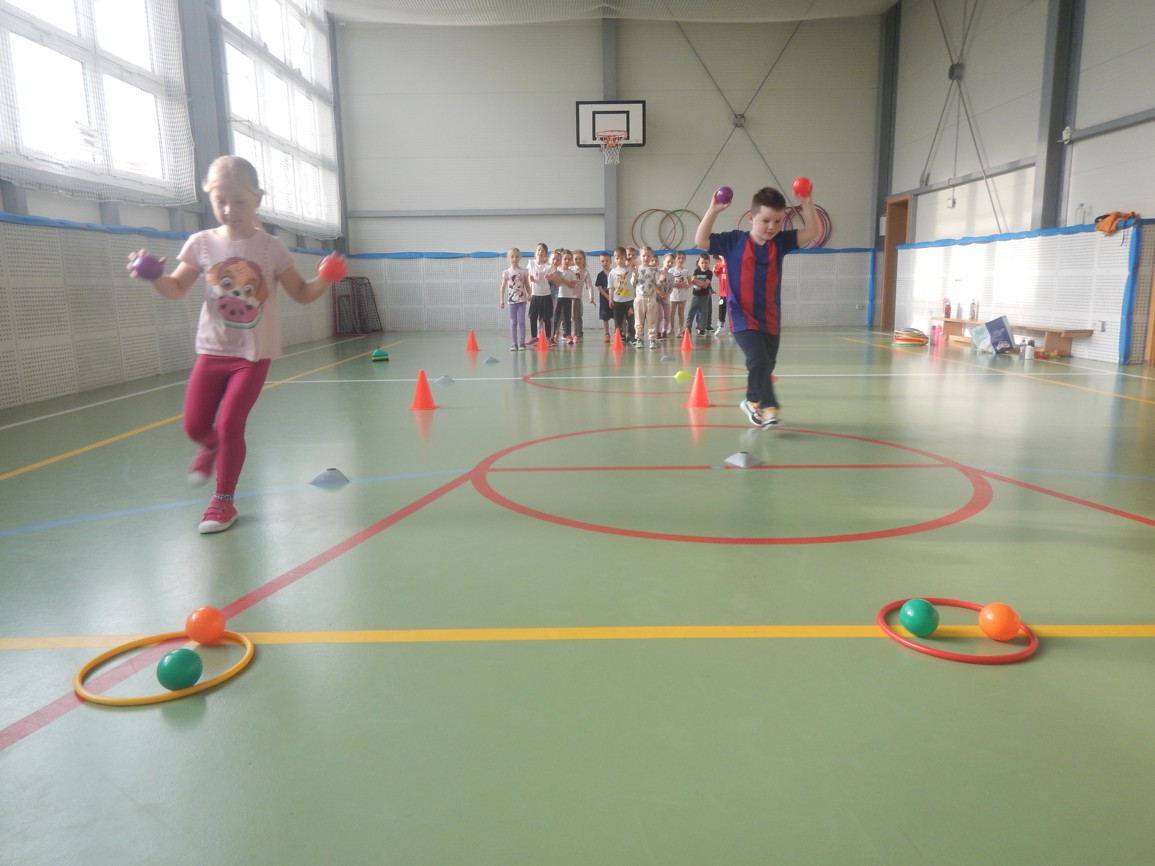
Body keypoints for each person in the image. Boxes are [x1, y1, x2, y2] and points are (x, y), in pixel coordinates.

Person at [127, 155, 341, 533]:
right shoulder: (200, 243)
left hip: (252, 355)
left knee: (229, 424)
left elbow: (302, 293)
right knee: (195, 426)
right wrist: (154, 276)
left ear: (257, 199)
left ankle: (223, 502)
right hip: (212, 350)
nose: (229, 210)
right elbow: (176, 288)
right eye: (220, 201)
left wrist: (326, 277)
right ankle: (210, 446)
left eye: (239, 201)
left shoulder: (271, 248)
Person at [695, 185, 821, 426]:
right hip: (742, 316)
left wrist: (807, 204)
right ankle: (768, 406)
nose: (772, 227)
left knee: (766, 364)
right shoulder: (733, 241)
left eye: (778, 221)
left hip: (770, 317)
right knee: (759, 361)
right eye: (766, 220)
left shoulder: (780, 242)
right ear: (751, 218)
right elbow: (700, 240)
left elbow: (813, 232)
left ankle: (751, 400)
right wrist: (713, 210)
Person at [499, 247, 528, 350]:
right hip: (511, 302)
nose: (514, 258)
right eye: (512, 256)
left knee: (522, 322)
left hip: (522, 300)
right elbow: (503, 287)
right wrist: (502, 300)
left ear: (520, 257)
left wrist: (530, 294)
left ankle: (522, 343)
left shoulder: (524, 271)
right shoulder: (506, 273)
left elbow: (527, 285)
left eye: (516, 256)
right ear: (509, 258)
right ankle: (514, 343)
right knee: (513, 322)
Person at [525, 242, 554, 345]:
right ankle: (534, 337)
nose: (540, 251)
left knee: (546, 317)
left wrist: (550, 277)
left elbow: (553, 277)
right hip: (535, 295)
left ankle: (548, 337)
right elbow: (528, 277)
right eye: (539, 249)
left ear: (545, 253)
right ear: (536, 252)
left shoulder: (548, 266)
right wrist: (530, 280)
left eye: (543, 250)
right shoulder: (531, 263)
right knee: (533, 317)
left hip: (545, 295)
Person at [633, 249, 661, 348]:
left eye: (648, 256)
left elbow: (658, 283)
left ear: (652, 257)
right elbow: (633, 282)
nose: (646, 258)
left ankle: (652, 339)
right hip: (639, 298)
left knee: (652, 320)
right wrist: (634, 273)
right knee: (638, 321)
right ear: (640, 257)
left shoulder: (655, 270)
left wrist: (661, 280)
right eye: (644, 256)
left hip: (651, 298)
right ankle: (639, 339)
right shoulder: (637, 268)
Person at [608, 247, 635, 343]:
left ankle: (632, 336)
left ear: (625, 258)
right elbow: (611, 287)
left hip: (629, 300)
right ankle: (620, 336)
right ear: (614, 259)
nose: (619, 260)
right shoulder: (612, 272)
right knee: (618, 321)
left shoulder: (630, 269)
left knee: (631, 320)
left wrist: (630, 260)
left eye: (622, 258)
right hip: (617, 301)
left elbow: (636, 264)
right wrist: (610, 299)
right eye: (617, 258)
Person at [666, 250, 692, 337]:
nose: (681, 260)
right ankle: (671, 328)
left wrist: (686, 285)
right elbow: (667, 282)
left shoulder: (686, 271)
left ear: (685, 259)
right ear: (675, 259)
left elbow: (690, 283)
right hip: (672, 296)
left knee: (681, 313)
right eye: (679, 258)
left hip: (682, 296)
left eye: (683, 258)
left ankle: (680, 330)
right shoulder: (671, 270)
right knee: (671, 313)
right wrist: (674, 284)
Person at [686, 253, 713, 335]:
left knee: (704, 313)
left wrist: (696, 281)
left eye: (706, 263)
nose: (704, 265)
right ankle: (688, 328)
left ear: (709, 263)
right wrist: (700, 282)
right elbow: (692, 281)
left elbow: (705, 285)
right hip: (695, 295)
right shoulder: (696, 271)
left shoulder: (709, 273)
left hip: (705, 296)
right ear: (699, 263)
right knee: (691, 312)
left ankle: (702, 329)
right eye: (702, 263)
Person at [571, 249, 594, 343]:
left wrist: (591, 297)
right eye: (576, 259)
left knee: (576, 316)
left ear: (584, 259)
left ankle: (577, 333)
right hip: (567, 296)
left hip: (577, 297)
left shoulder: (585, 272)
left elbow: (590, 285)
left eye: (580, 258)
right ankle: (567, 333)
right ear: (573, 260)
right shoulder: (570, 269)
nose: (578, 261)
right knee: (567, 316)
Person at [595, 252, 614, 341]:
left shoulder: (614, 273)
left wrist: (613, 297)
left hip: (615, 300)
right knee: (605, 318)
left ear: (611, 261)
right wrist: (608, 297)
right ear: (600, 262)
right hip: (604, 301)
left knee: (617, 317)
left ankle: (618, 332)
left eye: (607, 260)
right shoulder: (600, 275)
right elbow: (600, 288)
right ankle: (607, 334)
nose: (605, 263)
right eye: (603, 261)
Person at [713, 254, 729, 336]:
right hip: (722, 293)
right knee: (722, 309)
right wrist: (714, 270)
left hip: (731, 293)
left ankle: (734, 328)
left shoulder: (731, 262)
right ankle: (720, 326)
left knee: (732, 310)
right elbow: (717, 273)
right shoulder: (718, 264)